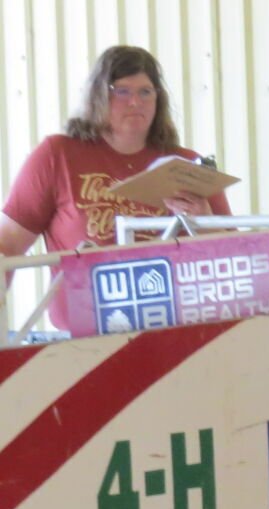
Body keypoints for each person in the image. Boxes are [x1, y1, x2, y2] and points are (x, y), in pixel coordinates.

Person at [0, 45, 232, 330]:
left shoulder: (185, 164)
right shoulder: (56, 155)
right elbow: (8, 243)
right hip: (83, 337)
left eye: (146, 91)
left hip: (174, 329)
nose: (135, 102)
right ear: (98, 95)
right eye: (122, 91)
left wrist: (203, 217)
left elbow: (235, 254)